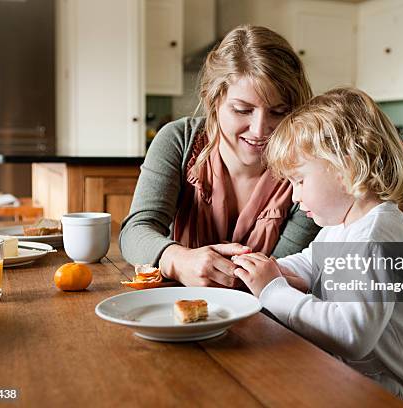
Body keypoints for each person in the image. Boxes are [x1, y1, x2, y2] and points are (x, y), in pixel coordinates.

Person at [231, 88, 403, 408]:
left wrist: (273, 290)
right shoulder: (343, 226)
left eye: (300, 180)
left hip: (396, 397)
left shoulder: (375, 239)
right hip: (358, 386)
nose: (293, 196)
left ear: (346, 169)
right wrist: (270, 269)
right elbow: (311, 262)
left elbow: (351, 334)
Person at [119, 25, 320, 287]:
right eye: (242, 110)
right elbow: (135, 232)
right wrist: (178, 260)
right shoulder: (178, 140)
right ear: (213, 101)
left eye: (279, 112)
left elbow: (287, 273)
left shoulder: (309, 169)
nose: (260, 130)